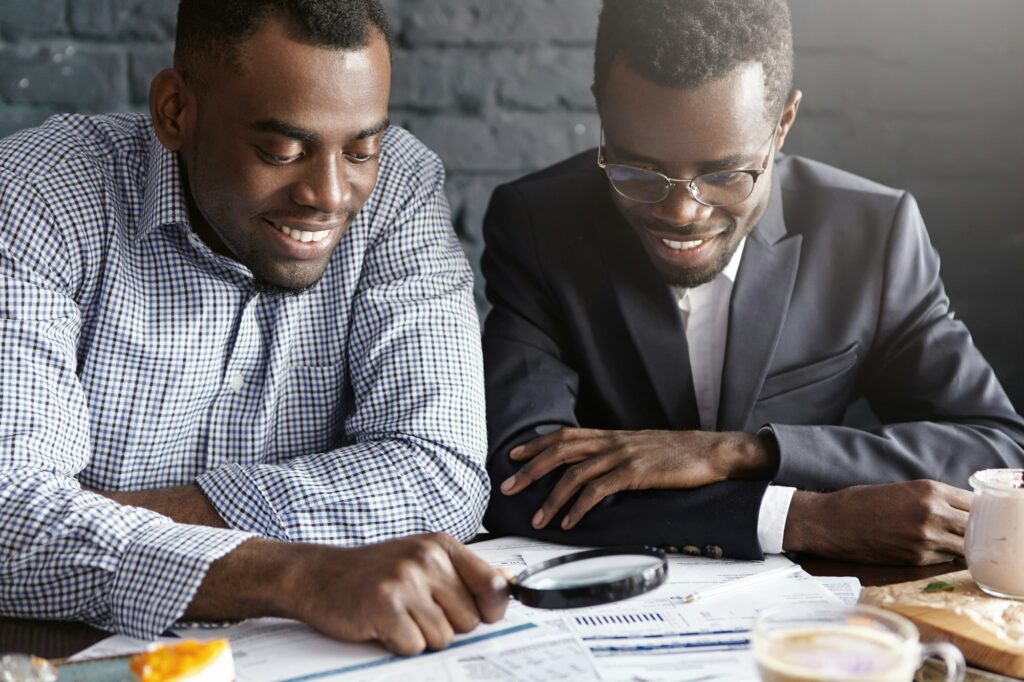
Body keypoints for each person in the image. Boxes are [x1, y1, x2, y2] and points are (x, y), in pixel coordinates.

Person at [0, 0, 505, 655]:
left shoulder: (400, 190)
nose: (328, 193)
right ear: (175, 112)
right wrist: (298, 575)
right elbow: (8, 516)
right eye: (282, 149)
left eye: (361, 149)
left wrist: (88, 518)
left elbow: (442, 474)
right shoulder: (40, 196)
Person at [482, 0, 1024, 566]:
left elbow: (998, 454)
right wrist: (802, 519)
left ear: (782, 124)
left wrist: (744, 452)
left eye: (723, 174)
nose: (682, 212)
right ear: (604, 113)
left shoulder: (872, 236)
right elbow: (521, 484)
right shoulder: (538, 226)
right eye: (636, 170)